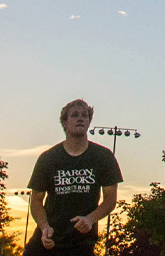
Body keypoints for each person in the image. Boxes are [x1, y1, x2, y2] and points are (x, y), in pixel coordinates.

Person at [26, 99, 123, 256]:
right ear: (64, 123)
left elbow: (110, 199)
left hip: (81, 242)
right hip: (50, 238)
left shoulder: (103, 157)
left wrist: (91, 219)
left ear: (89, 122)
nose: (80, 118)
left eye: (84, 116)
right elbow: (36, 200)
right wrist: (44, 227)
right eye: (75, 115)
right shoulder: (48, 158)